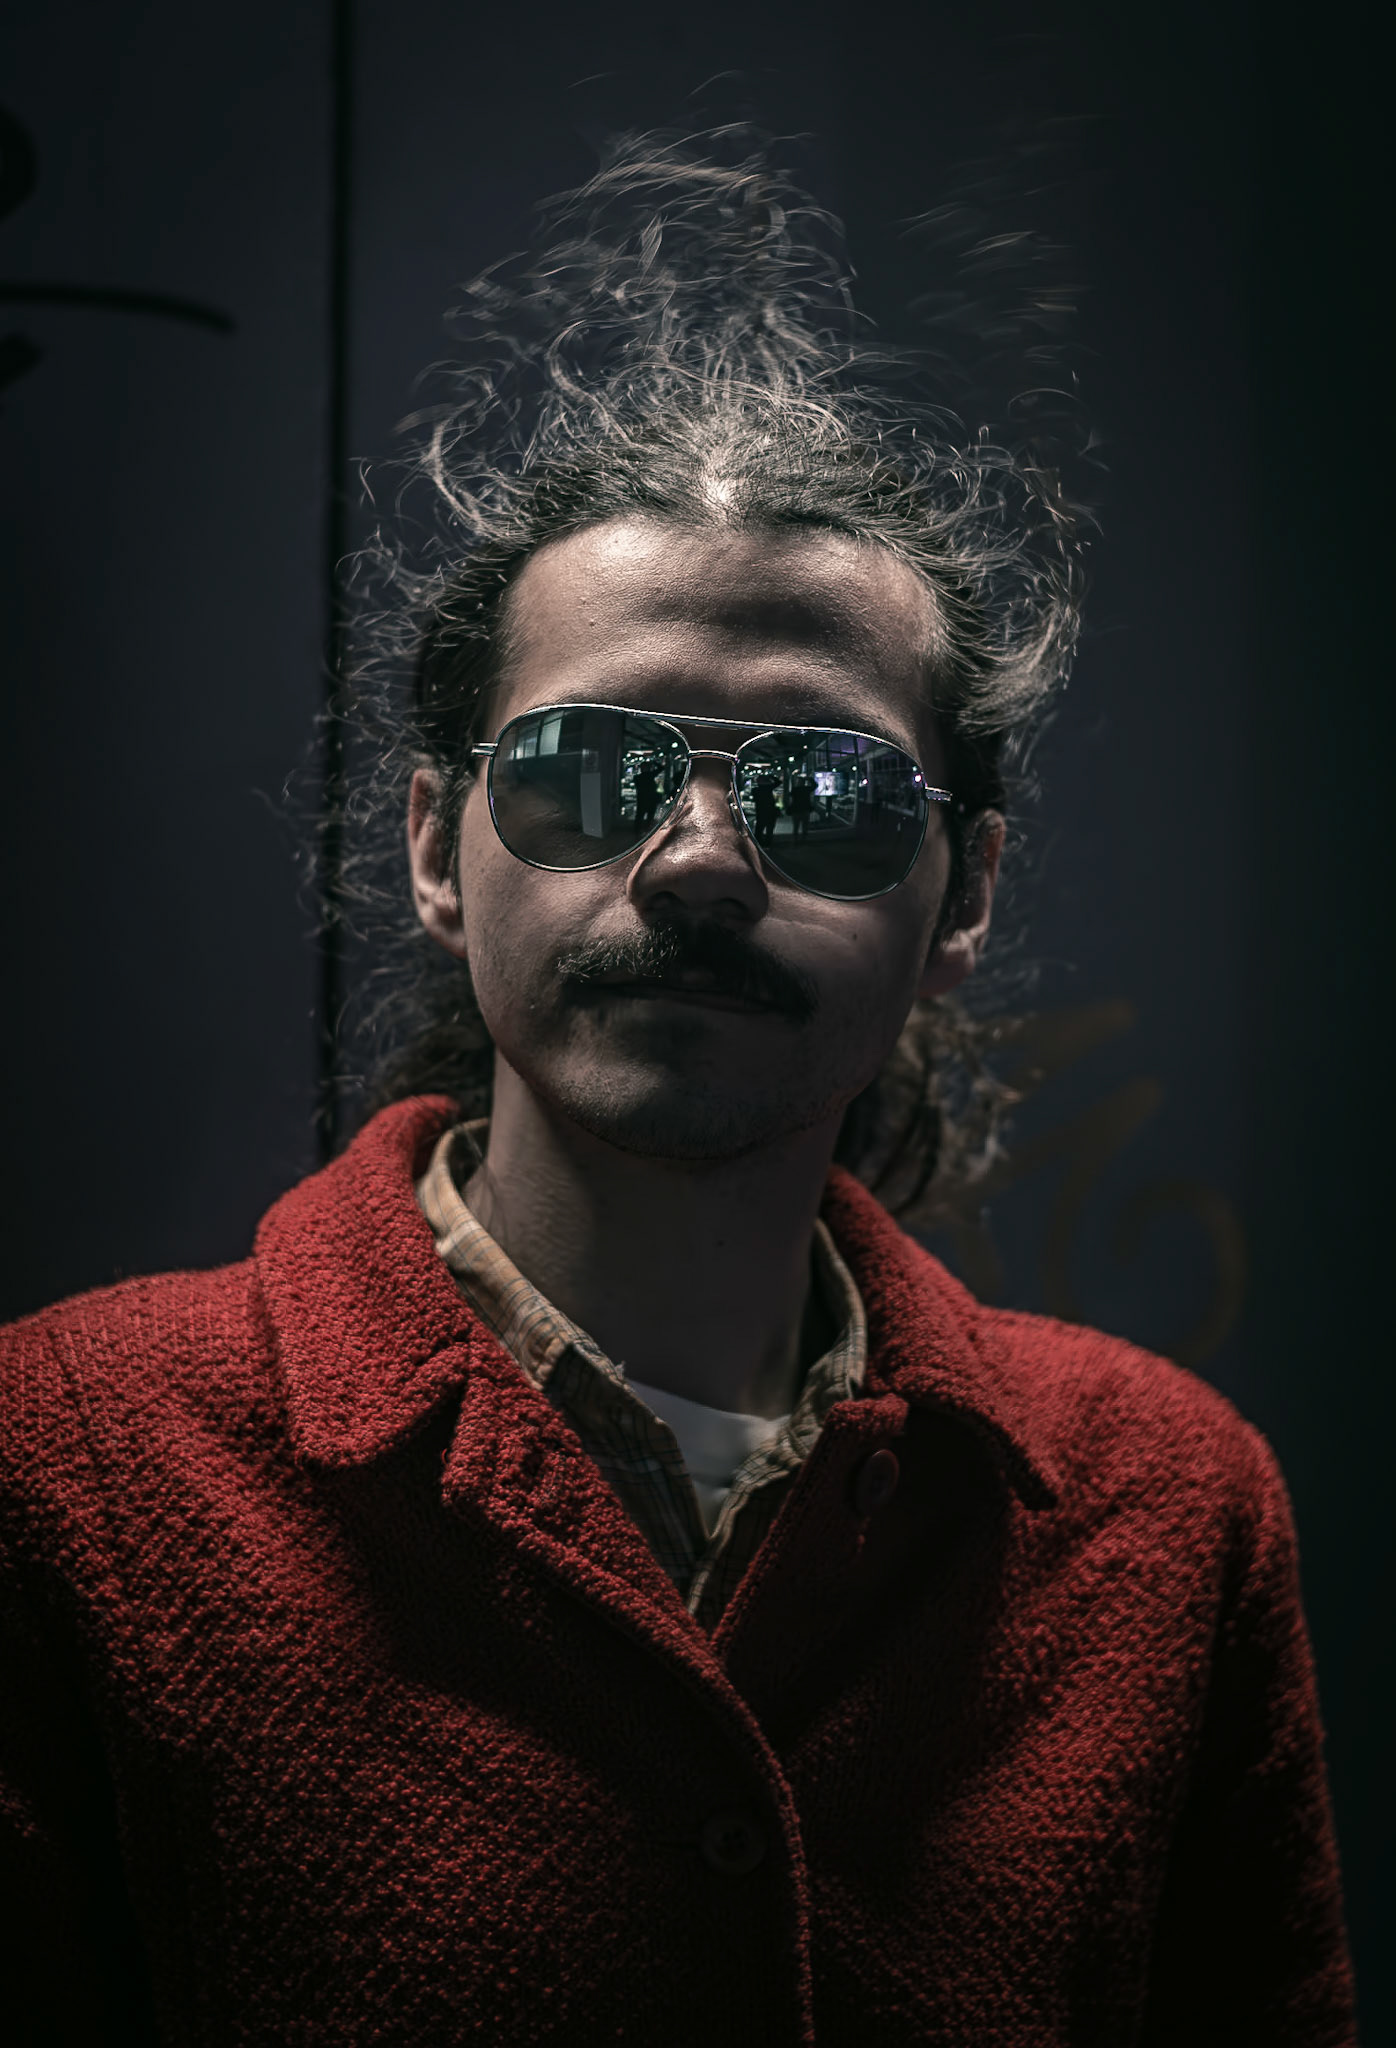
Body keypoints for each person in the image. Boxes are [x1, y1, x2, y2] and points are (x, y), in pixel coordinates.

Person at [0, 142, 1354, 2046]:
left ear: (962, 896)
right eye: (588, 773)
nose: (704, 865)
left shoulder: (1169, 1512)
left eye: (828, 794)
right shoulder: (67, 1464)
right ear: (437, 848)